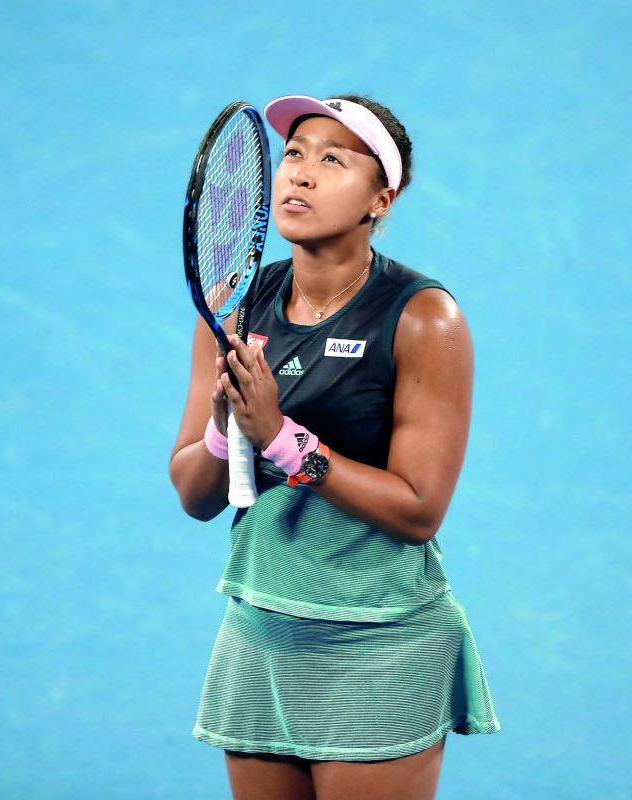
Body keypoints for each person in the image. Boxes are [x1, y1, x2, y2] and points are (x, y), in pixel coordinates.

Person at [169, 94, 499, 800]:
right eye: (292, 154)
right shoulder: (234, 307)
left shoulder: (423, 318)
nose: (301, 174)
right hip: (259, 635)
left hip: (377, 643)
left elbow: (419, 509)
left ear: (381, 198)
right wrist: (225, 424)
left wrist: (280, 439)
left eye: (332, 159)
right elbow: (193, 495)